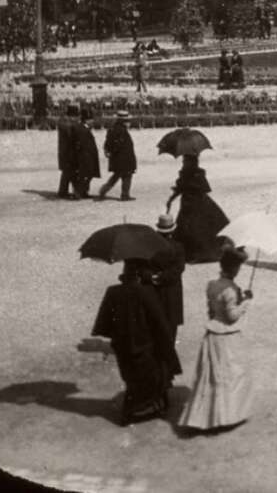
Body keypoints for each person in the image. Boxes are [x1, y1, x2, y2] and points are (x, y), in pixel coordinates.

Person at [92, 260, 181, 425]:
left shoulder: (112, 291)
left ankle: (133, 408)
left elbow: (103, 324)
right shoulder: (146, 292)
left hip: (122, 346)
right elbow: (160, 323)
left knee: (132, 379)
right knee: (155, 373)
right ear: (139, 275)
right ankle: (146, 408)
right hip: (144, 346)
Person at [180, 246, 254, 433]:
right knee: (232, 375)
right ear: (235, 268)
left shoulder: (212, 284)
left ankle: (207, 416)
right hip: (227, 337)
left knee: (210, 377)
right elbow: (232, 316)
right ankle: (227, 415)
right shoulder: (231, 290)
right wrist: (245, 302)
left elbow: (212, 311)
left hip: (213, 333)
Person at [166, 153, 230, 263]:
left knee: (195, 228)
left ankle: (196, 253)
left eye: (185, 161)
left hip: (197, 203)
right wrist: (171, 198)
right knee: (189, 227)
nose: (184, 163)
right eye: (184, 161)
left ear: (192, 162)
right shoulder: (186, 173)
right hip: (189, 203)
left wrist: (189, 185)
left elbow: (203, 188)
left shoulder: (197, 173)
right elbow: (180, 188)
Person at [149, 214, 186, 342]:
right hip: (172, 288)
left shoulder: (150, 246)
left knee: (155, 317)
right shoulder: (178, 247)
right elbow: (179, 269)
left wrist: (154, 277)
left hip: (154, 287)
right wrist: (164, 276)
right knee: (171, 319)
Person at [98, 109, 137, 201]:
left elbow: (108, 143)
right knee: (125, 176)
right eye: (127, 121)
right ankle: (124, 194)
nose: (129, 123)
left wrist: (109, 152)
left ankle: (104, 190)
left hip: (119, 158)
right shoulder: (121, 131)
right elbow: (119, 144)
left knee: (118, 176)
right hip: (123, 158)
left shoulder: (113, 129)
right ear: (123, 121)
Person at [72, 106, 101, 200]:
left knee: (87, 175)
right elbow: (82, 144)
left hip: (88, 156)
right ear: (86, 120)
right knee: (84, 176)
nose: (92, 121)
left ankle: (83, 192)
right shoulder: (81, 129)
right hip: (84, 156)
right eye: (91, 119)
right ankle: (78, 193)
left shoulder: (84, 128)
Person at [56, 105, 79, 199]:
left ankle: (63, 191)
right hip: (68, 151)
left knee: (67, 172)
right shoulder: (66, 123)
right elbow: (71, 134)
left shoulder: (63, 122)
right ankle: (74, 192)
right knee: (70, 171)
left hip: (64, 151)